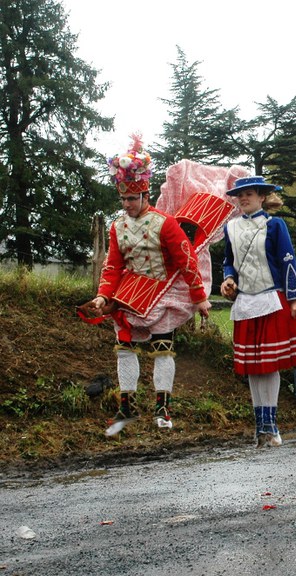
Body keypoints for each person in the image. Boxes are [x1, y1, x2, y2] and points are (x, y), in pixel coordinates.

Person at [88, 137, 212, 437]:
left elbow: (186, 260)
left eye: (132, 199)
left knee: (163, 350)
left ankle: (162, 408)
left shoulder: (165, 224)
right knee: (123, 348)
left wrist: (199, 298)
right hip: (128, 295)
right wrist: (104, 295)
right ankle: (127, 407)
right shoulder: (117, 226)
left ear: (145, 195)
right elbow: (113, 265)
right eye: (124, 200)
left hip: (161, 293)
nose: (128, 205)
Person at [220, 176, 296, 448]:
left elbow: (288, 260)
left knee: (268, 365)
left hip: (271, 298)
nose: (243, 199)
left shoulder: (275, 225)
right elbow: (228, 261)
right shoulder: (230, 227)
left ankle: (272, 424)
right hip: (246, 302)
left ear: (261, 197)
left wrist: (294, 298)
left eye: (249, 194)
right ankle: (260, 426)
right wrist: (228, 279)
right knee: (253, 368)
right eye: (240, 195)